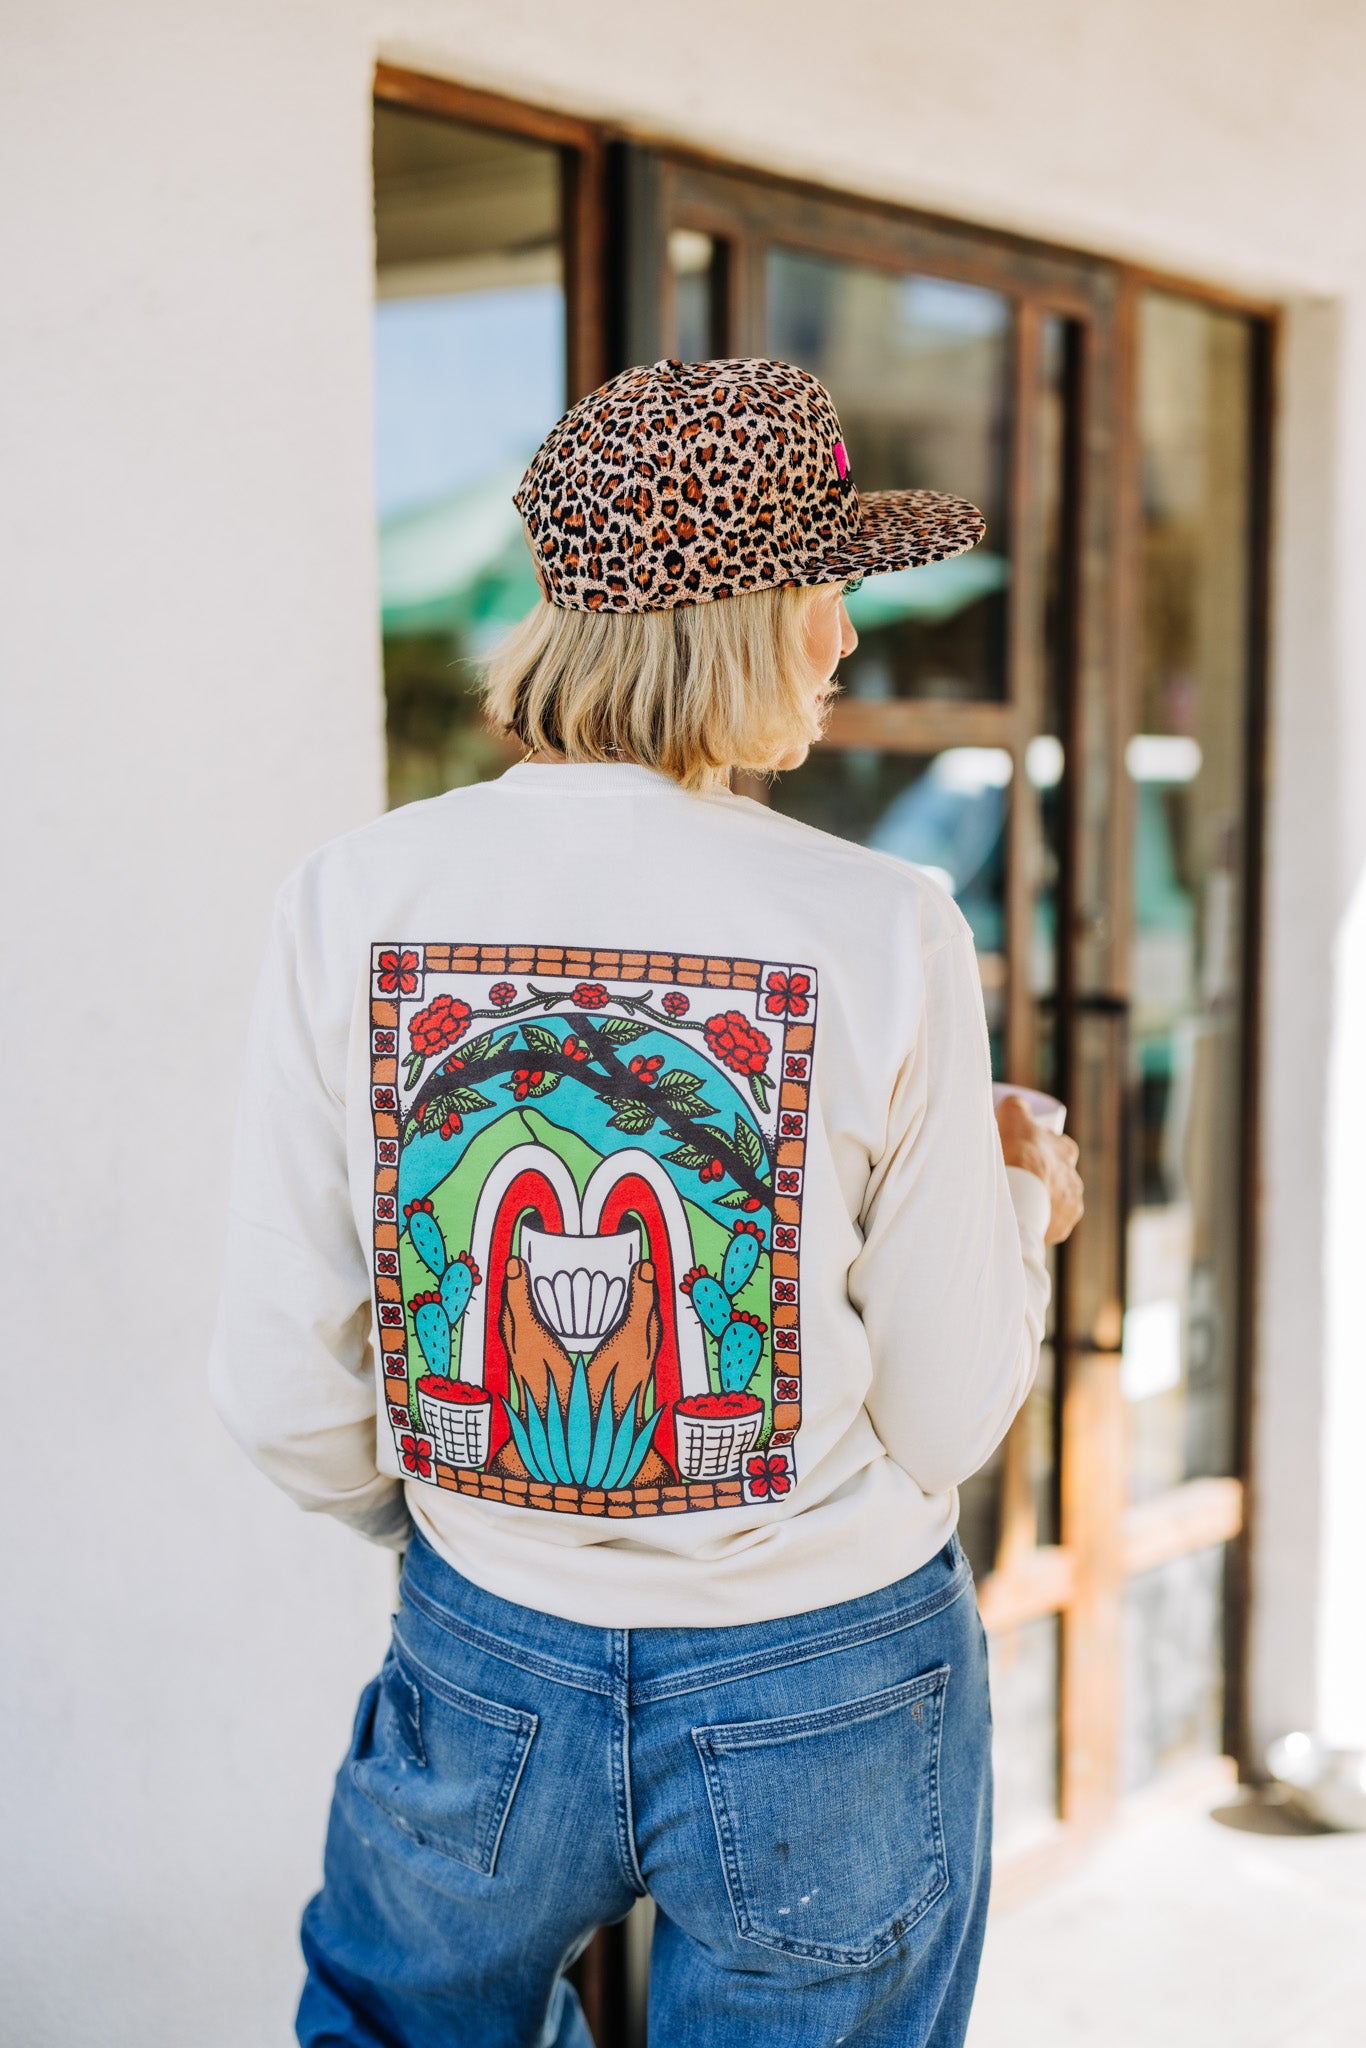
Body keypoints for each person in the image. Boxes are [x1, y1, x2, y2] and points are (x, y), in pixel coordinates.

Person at [209, 356, 1084, 2048]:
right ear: (745, 618)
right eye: (826, 590)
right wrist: (1010, 1202)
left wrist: (487, 1534)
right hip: (825, 1673)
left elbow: (281, 1384)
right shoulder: (881, 921)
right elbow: (946, 1414)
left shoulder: (352, 895)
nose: (846, 639)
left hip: (484, 1654)